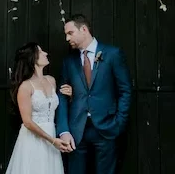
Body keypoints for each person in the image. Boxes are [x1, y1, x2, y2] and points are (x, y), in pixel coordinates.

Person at [56, 14, 132, 174]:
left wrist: (119, 122)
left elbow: (125, 90)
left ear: (84, 29)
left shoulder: (112, 54)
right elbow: (61, 97)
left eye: (70, 33)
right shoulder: (68, 62)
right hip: (76, 131)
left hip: (107, 127)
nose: (66, 38)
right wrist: (64, 131)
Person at [5, 42, 70, 174]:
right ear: (32, 58)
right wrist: (52, 140)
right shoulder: (25, 87)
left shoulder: (51, 80)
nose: (45, 53)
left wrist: (70, 94)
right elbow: (27, 122)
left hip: (51, 134)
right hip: (33, 138)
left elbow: (55, 105)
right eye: (40, 52)